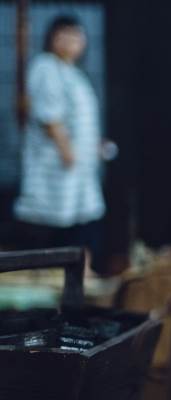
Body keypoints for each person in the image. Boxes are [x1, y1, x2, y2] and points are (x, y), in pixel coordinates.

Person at [14, 15, 105, 272]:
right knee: (52, 225)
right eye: (63, 35)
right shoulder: (45, 67)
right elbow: (49, 116)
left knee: (82, 223)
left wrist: (93, 145)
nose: (70, 41)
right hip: (55, 167)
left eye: (76, 35)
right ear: (51, 39)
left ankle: (82, 275)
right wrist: (67, 150)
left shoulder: (74, 73)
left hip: (80, 171)